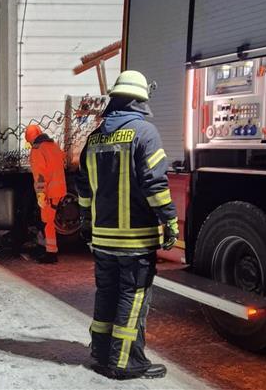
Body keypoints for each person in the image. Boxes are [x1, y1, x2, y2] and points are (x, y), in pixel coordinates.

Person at [76, 70, 179, 380]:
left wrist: (86, 221)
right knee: (132, 299)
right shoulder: (144, 133)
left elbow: (83, 186)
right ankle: (125, 363)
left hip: (103, 239)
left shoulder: (94, 138)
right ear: (138, 101)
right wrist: (170, 221)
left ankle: (100, 353)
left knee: (106, 293)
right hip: (135, 240)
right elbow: (155, 184)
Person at [24, 124, 67, 264]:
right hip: (60, 190)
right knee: (50, 221)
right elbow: (63, 158)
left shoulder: (37, 150)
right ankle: (49, 250)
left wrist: (41, 195)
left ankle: (51, 253)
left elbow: (40, 176)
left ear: (30, 139)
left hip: (49, 192)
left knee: (47, 222)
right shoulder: (53, 145)